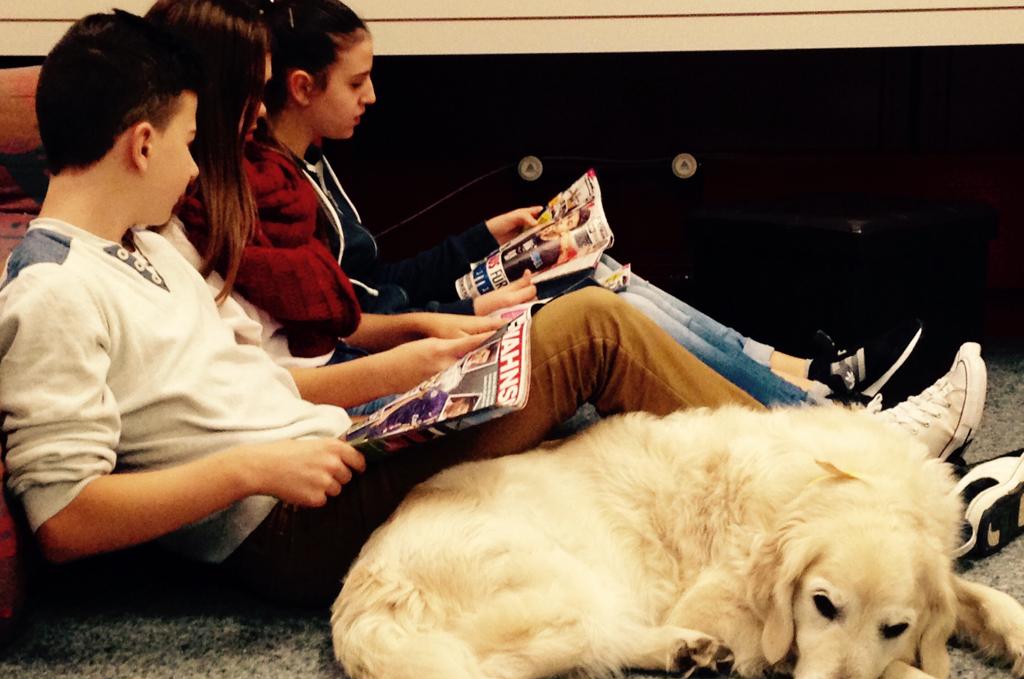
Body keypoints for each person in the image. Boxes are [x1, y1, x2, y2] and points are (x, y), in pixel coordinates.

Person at [0, 9, 778, 609]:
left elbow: (262, 380)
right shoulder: (53, 292)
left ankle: (795, 470)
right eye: (187, 143)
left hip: (330, 448)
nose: (195, 166)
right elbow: (64, 517)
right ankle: (805, 475)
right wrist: (252, 469)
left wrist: (411, 371)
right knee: (593, 331)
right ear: (142, 145)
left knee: (568, 344)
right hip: (288, 526)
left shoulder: (144, 247)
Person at [188, 0, 928, 413]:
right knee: (594, 292)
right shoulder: (269, 191)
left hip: (415, 321)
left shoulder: (308, 166)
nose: (373, 96)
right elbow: (356, 317)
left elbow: (381, 283)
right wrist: (466, 308)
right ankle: (810, 407)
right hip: (403, 344)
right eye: (358, 82)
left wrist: (487, 235)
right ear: (300, 88)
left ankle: (801, 375)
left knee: (594, 268)